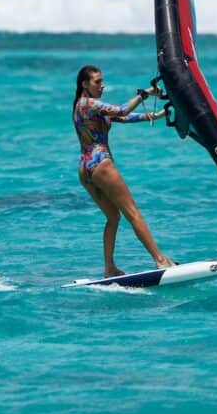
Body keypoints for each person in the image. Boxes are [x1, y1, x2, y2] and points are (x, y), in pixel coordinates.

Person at [73, 65, 176, 277]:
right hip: (100, 163)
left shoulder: (82, 106)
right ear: (84, 84)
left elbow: (122, 117)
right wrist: (145, 94)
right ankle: (160, 260)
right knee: (133, 213)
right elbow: (122, 110)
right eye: (97, 82)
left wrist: (157, 115)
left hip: (85, 168)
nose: (102, 86)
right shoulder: (88, 103)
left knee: (113, 217)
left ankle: (109, 268)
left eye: (102, 81)